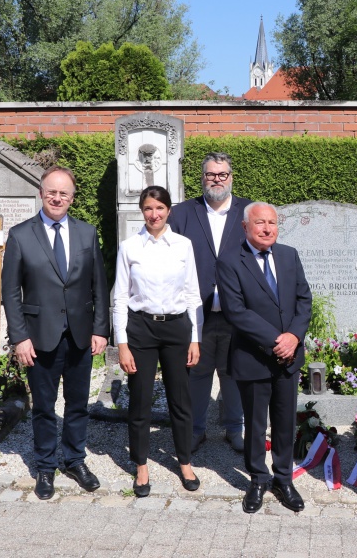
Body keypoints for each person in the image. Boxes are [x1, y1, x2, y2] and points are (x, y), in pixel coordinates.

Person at [1, 165, 109, 500]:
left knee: (78, 404)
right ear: (41, 193)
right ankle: (46, 466)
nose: (57, 198)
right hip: (39, 336)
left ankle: (75, 460)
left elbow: (99, 287)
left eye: (64, 193)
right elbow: (10, 292)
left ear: (72, 198)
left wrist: (100, 330)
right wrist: (19, 338)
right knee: (45, 407)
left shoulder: (86, 233)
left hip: (79, 335)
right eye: (52, 191)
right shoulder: (21, 235)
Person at [216, 202, 312, 514]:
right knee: (255, 424)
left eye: (272, 222)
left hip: (288, 357)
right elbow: (235, 311)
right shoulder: (230, 260)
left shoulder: (289, 255)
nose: (267, 228)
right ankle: (258, 477)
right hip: (254, 357)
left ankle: (284, 478)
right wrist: (276, 340)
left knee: (284, 423)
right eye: (260, 223)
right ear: (245, 227)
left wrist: (294, 337)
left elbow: (303, 299)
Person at [113, 186, 204, 496]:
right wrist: (122, 343)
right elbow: (121, 296)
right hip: (142, 328)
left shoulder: (183, 245)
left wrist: (195, 338)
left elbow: (193, 293)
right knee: (140, 400)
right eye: (149, 208)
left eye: (160, 208)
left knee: (181, 400)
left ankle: (185, 462)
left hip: (178, 328)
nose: (154, 214)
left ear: (169, 210)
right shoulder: (130, 247)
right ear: (142, 211)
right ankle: (141, 466)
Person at [169, 152, 251, 454]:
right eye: (211, 174)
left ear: (231, 177)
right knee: (197, 371)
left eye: (222, 174)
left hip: (236, 310)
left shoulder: (248, 211)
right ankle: (195, 429)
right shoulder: (182, 214)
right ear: (202, 177)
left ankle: (234, 428)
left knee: (233, 370)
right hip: (195, 310)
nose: (217, 179)